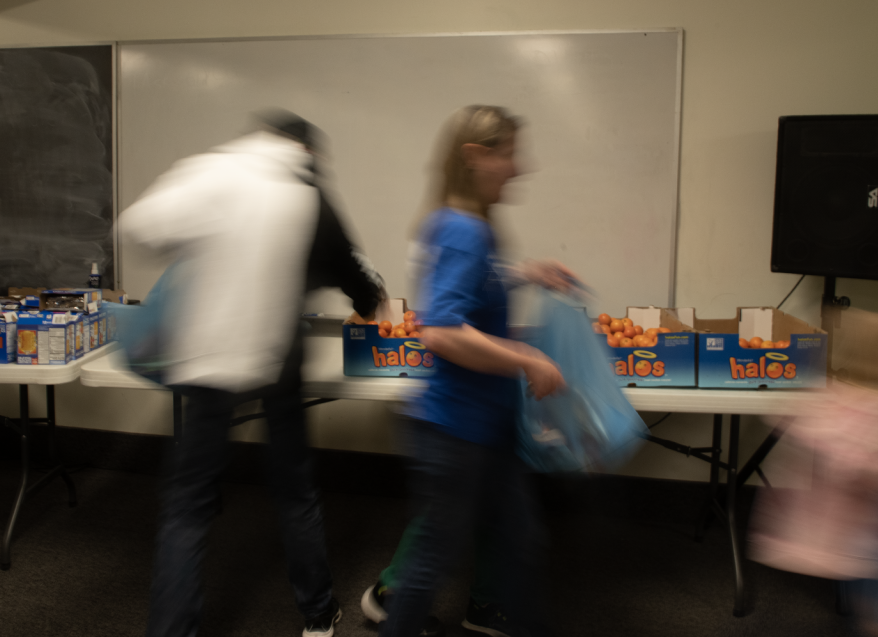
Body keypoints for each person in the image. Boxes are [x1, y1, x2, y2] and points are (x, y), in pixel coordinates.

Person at [120, 110, 386, 637]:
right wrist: (366, 299)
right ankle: (317, 613)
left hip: (205, 358)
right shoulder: (305, 191)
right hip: (276, 357)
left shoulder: (211, 170)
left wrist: (198, 251)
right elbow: (353, 275)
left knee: (188, 506)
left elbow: (139, 227)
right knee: (294, 489)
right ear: (306, 151)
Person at [374, 105, 573, 637]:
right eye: (509, 153)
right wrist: (526, 357)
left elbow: (472, 285)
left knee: (521, 542)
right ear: (475, 156)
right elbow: (440, 331)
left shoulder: (458, 222)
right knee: (431, 563)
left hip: (482, 425)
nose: (520, 166)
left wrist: (525, 273)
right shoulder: (466, 229)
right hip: (456, 431)